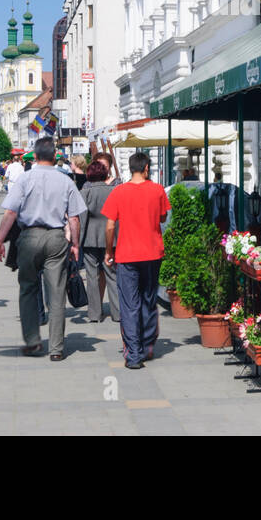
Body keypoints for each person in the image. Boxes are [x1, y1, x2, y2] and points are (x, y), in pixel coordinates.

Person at [0, 137, 86, 360]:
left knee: (27, 289)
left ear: (34, 157)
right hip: (56, 238)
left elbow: (11, 213)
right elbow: (74, 218)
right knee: (56, 294)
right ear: (55, 156)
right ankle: (56, 349)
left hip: (29, 237)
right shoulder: (66, 181)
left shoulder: (25, 179)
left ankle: (34, 342)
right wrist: (75, 244)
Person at [102, 151, 170, 370]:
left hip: (127, 254)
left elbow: (110, 225)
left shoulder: (119, 191)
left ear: (131, 168)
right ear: (147, 168)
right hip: (152, 253)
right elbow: (163, 217)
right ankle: (148, 344)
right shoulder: (157, 190)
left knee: (129, 305)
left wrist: (108, 250)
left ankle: (133, 354)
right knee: (149, 300)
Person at [80, 158, 120, 323]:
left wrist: (77, 242)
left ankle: (94, 314)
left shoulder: (85, 193)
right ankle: (118, 313)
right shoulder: (114, 191)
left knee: (92, 277)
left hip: (90, 238)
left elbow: (81, 219)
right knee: (112, 276)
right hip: (111, 238)